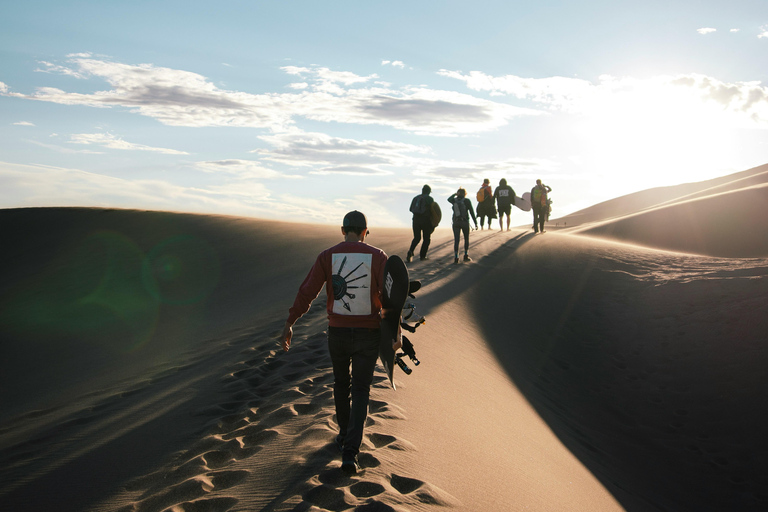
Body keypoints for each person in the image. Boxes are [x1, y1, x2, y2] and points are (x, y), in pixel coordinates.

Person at [281, 211, 389, 474]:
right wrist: (394, 334)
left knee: (341, 384)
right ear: (366, 231)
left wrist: (290, 322)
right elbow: (390, 299)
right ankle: (351, 451)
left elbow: (307, 291)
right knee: (361, 389)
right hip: (368, 335)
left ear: (343, 230)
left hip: (338, 333)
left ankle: (343, 435)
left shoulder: (327, 256)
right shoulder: (378, 256)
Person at [448, 188, 478, 264]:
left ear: (458, 193)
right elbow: (471, 212)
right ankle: (465, 256)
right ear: (465, 194)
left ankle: (456, 257)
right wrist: (475, 223)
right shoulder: (467, 201)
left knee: (456, 240)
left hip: (456, 222)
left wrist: (455, 194)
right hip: (465, 222)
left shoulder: (454, 200)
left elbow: (448, 199)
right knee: (466, 239)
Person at [406, 184, 435, 262]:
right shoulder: (429, 199)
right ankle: (422, 256)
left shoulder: (415, 198)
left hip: (415, 220)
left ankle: (410, 251)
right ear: (429, 192)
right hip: (425, 220)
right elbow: (434, 211)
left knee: (417, 237)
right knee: (426, 239)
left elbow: (410, 209)